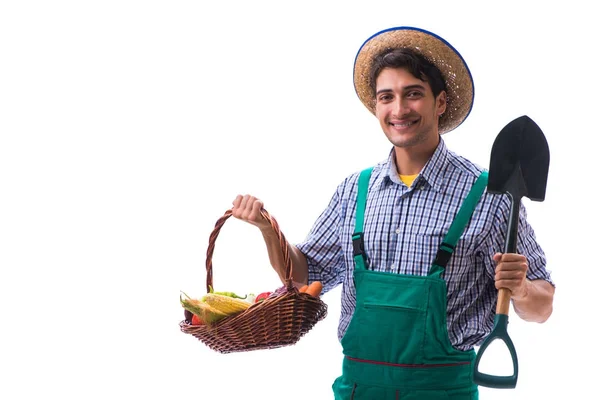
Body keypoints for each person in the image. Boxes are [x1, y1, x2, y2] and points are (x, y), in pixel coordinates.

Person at [230, 26, 555, 399]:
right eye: (387, 97)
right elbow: (304, 275)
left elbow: (542, 307)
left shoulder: (490, 196)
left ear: (441, 102)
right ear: (377, 107)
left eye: (413, 94)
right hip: (357, 389)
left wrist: (521, 288)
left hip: (441, 391)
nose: (399, 109)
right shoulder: (355, 191)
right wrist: (268, 230)